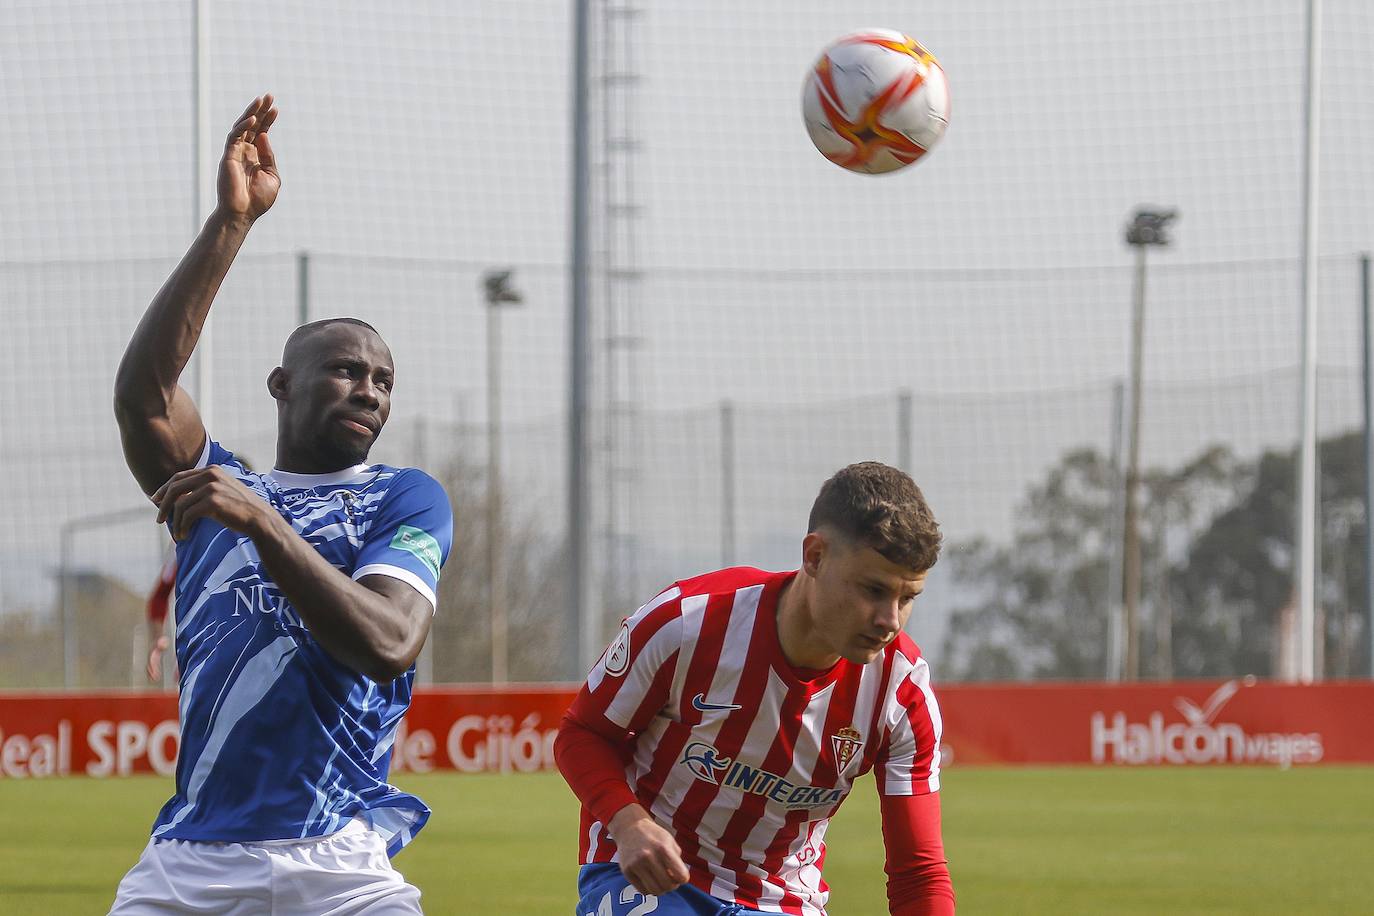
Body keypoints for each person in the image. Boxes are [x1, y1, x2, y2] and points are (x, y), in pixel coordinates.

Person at [109, 95, 453, 915]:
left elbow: (390, 641)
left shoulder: (402, 497)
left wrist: (264, 523)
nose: (368, 389)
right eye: (345, 370)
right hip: (187, 867)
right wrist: (232, 223)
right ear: (282, 385)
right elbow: (144, 398)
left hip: (342, 867)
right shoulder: (215, 485)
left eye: (383, 381)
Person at [556, 461, 955, 916]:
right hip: (644, 876)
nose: (889, 620)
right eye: (872, 590)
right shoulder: (688, 624)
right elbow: (581, 733)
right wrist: (627, 823)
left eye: (907, 599)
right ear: (815, 556)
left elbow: (918, 873)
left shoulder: (902, 692)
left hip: (781, 900)